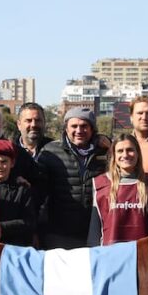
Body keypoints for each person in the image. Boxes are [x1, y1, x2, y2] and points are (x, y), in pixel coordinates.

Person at [36, 107, 107, 249]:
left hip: (94, 231)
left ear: (92, 129)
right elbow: (39, 192)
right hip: (59, 234)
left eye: (84, 126)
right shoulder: (50, 152)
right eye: (74, 126)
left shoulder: (104, 152)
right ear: (66, 129)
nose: (79, 131)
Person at [88, 133, 148, 246]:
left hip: (142, 252)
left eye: (130, 150)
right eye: (120, 151)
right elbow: (95, 229)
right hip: (110, 253)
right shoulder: (100, 183)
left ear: (138, 153)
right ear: (114, 155)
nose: (125, 155)